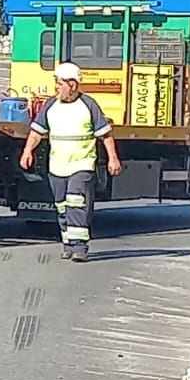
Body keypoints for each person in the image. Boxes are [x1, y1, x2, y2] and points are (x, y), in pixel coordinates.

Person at [19, 62, 123, 262]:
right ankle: (68, 242)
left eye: (60, 83)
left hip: (81, 165)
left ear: (72, 85)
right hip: (57, 166)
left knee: (77, 202)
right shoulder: (51, 105)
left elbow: (105, 135)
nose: (57, 87)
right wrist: (27, 152)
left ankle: (79, 247)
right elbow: (37, 131)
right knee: (61, 205)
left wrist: (113, 158)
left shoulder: (88, 105)